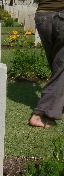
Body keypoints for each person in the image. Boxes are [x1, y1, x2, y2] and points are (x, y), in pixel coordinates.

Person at [29, 0, 64, 128]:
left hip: (42, 15)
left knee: (57, 65)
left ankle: (58, 103)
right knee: (61, 68)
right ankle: (41, 113)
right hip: (60, 16)